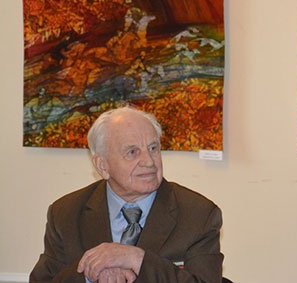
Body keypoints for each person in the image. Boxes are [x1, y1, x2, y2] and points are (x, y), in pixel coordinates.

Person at [30, 107, 223, 283]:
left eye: (153, 148)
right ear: (102, 166)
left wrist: (137, 259)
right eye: (132, 152)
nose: (149, 162)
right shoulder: (66, 214)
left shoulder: (199, 215)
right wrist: (91, 272)